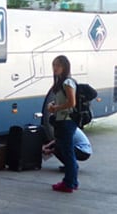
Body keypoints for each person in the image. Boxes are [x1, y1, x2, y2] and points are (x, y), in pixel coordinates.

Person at [46, 55, 79, 193]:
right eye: (53, 65)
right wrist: (54, 105)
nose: (55, 68)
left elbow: (72, 103)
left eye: (58, 66)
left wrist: (56, 108)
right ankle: (72, 181)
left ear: (65, 67)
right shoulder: (61, 82)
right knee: (67, 151)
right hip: (63, 120)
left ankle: (68, 183)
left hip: (66, 121)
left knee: (67, 152)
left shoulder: (67, 82)